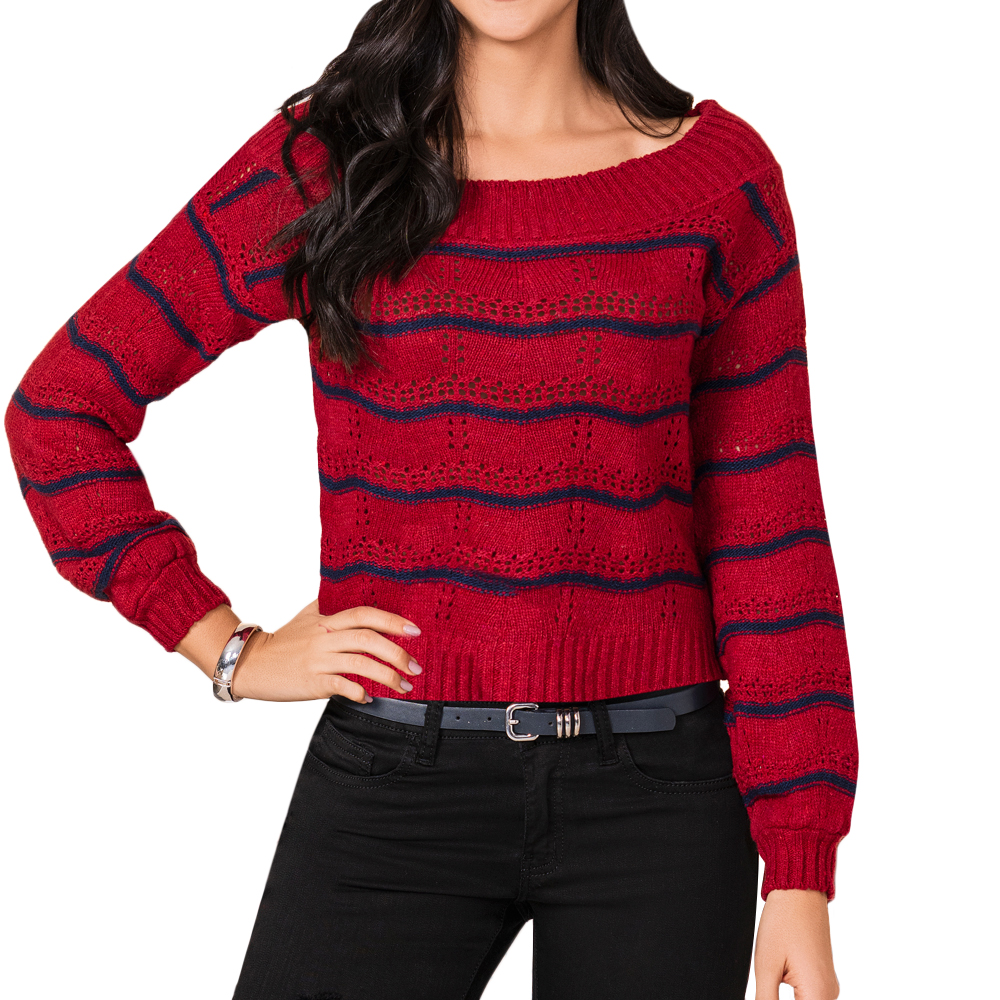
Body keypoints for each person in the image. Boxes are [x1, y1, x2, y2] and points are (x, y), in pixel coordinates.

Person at [4, 0, 858, 997]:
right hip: (395, 775)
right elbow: (60, 411)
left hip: (660, 793)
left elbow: (769, 531)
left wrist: (800, 861)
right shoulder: (329, 161)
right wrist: (227, 648)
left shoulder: (717, 182)